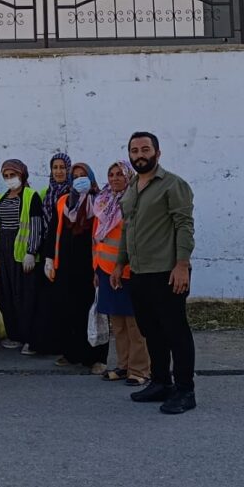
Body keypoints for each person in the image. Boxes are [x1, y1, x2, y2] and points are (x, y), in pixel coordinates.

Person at [111, 131, 196, 415]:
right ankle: (161, 382)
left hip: (167, 272)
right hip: (139, 272)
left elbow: (184, 225)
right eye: (134, 151)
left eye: (145, 149)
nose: (140, 155)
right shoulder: (133, 187)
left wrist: (182, 265)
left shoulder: (173, 185)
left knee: (175, 332)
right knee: (152, 331)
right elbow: (127, 229)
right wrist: (119, 264)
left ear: (157, 153)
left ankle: (185, 390)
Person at [43, 162, 108, 374]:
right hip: (66, 265)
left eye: (83, 175)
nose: (79, 179)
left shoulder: (100, 202)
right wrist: (49, 259)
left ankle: (97, 357)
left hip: (90, 265)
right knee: (68, 309)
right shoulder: (63, 202)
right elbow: (53, 231)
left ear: (91, 178)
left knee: (92, 311)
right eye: (76, 176)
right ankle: (72, 352)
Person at [91, 161, 150, 386]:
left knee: (135, 324)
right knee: (117, 324)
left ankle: (141, 370)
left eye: (120, 174)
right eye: (111, 174)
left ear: (129, 176)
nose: (115, 178)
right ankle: (123, 365)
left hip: (128, 271)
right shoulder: (103, 203)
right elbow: (96, 240)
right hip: (105, 271)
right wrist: (95, 269)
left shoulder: (134, 202)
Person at [0, 159, 43, 351]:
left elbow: (36, 225)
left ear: (22, 175)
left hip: (22, 255)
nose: (10, 179)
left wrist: (31, 251)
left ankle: (31, 338)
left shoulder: (31, 196)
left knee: (26, 296)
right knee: (8, 294)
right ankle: (15, 335)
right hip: (4, 253)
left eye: (13, 175)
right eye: (6, 176)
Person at [28, 152, 73, 357]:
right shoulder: (47, 192)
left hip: (68, 250)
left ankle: (65, 344)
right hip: (48, 248)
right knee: (46, 298)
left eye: (62, 167)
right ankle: (47, 343)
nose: (59, 171)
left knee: (64, 298)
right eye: (55, 167)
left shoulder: (74, 192)